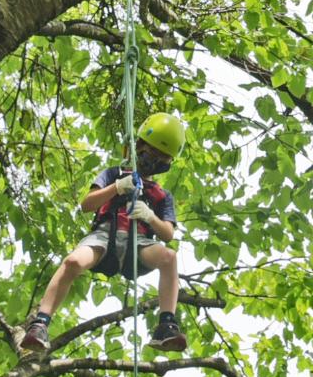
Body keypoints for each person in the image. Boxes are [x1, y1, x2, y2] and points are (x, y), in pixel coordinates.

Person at [20, 111, 189, 355]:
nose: (151, 159)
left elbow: (168, 235)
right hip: (105, 234)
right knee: (73, 261)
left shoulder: (162, 195)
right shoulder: (114, 174)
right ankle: (40, 323)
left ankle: (166, 325)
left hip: (138, 243)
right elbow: (87, 204)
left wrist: (150, 216)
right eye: (149, 151)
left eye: (159, 156)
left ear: (165, 164)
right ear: (137, 147)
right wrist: (117, 187)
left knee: (169, 258)